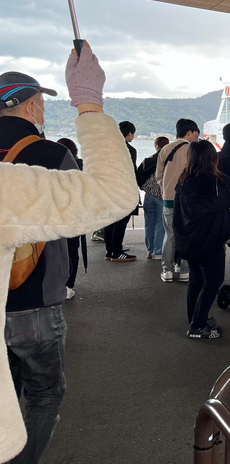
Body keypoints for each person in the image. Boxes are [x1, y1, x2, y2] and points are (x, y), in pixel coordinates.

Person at [0, 45, 138, 464]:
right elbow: (109, 197)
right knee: (44, 391)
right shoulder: (45, 157)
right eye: (40, 103)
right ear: (32, 106)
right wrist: (89, 103)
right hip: (34, 299)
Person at [174, 140, 230, 339]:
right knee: (213, 282)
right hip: (210, 241)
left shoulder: (184, 181)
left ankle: (194, 317)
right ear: (213, 158)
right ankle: (198, 325)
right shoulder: (219, 183)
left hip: (189, 240)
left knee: (196, 280)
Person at [156, 118, 199, 283]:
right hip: (188, 200)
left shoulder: (166, 149)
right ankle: (184, 270)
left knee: (170, 234)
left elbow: (158, 175)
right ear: (189, 132)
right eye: (196, 133)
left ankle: (167, 270)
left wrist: (166, 189)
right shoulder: (192, 150)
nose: (197, 137)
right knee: (186, 234)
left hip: (168, 199)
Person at [102, 121, 139, 262]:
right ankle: (117, 251)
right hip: (123, 190)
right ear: (129, 133)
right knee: (121, 223)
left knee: (110, 221)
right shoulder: (130, 150)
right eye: (132, 134)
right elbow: (131, 172)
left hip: (107, 190)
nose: (133, 136)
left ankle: (110, 251)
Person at [56, 138, 86, 299]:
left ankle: (58, 283)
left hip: (55, 215)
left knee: (56, 250)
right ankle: (69, 284)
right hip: (75, 216)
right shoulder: (80, 165)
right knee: (72, 250)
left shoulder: (51, 165)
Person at [137, 136, 169, 260]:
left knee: (149, 223)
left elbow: (139, 175)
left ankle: (150, 250)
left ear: (156, 145)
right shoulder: (168, 160)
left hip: (149, 195)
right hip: (163, 195)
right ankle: (158, 251)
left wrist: (145, 188)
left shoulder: (148, 160)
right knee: (160, 224)